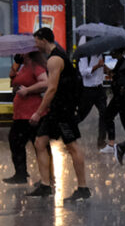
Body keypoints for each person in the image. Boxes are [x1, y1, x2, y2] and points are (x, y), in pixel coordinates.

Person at [28, 27, 90, 200]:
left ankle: (83, 188)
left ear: (43, 39)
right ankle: (45, 185)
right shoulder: (55, 55)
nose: (35, 44)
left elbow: (52, 88)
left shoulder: (55, 59)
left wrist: (38, 112)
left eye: (36, 41)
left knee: (72, 146)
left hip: (64, 110)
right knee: (40, 142)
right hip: (56, 109)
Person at [3, 51, 50, 184]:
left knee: (39, 145)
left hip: (32, 112)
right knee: (16, 142)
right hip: (21, 114)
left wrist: (28, 90)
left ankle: (47, 177)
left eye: (21, 52)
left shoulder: (36, 66)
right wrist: (15, 66)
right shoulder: (23, 66)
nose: (18, 54)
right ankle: (21, 173)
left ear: (28, 53)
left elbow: (45, 83)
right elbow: (13, 83)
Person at [100, 47, 125, 154]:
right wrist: (108, 71)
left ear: (117, 52)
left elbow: (121, 78)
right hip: (120, 95)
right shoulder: (121, 62)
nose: (110, 53)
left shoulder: (124, 63)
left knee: (121, 118)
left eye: (112, 51)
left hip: (121, 95)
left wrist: (111, 73)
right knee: (119, 117)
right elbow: (115, 75)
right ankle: (117, 143)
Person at [76, 38, 108, 149]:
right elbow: (83, 72)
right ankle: (67, 134)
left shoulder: (100, 54)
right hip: (88, 90)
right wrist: (97, 66)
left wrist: (105, 68)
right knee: (81, 115)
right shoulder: (85, 55)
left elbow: (101, 69)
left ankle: (101, 141)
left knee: (104, 114)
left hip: (99, 88)